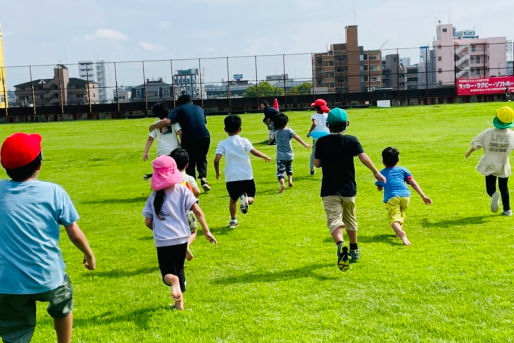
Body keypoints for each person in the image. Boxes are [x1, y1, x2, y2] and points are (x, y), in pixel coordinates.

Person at [0, 132, 96, 343]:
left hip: (8, 282)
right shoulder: (53, 192)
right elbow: (74, 232)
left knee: (14, 329)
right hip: (49, 276)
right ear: (40, 163)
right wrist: (89, 254)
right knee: (63, 308)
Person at [314, 108, 386, 271]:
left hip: (329, 189)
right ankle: (354, 249)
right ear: (347, 124)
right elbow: (363, 157)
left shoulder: (322, 142)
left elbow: (317, 164)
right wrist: (376, 172)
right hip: (348, 188)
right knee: (350, 219)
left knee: (334, 220)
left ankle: (340, 244)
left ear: (327, 125)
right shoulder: (352, 140)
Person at [143, 155, 217, 310]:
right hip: (182, 238)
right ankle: (179, 306)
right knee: (179, 267)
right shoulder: (183, 189)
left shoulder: (154, 195)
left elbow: (148, 221)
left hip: (163, 241)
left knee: (167, 275)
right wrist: (207, 231)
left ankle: (175, 283)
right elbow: (197, 210)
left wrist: (158, 230)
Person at [214, 115, 271, 229]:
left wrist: (217, 172)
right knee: (251, 197)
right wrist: (265, 156)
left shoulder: (223, 143)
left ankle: (233, 220)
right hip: (246, 175)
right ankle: (246, 200)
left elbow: (216, 159)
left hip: (231, 177)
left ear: (225, 129)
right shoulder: (244, 141)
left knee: (233, 199)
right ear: (240, 129)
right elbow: (253, 151)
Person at [149, 94, 212, 192]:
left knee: (189, 161)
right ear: (191, 102)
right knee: (202, 157)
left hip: (189, 137)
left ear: (179, 103)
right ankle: (203, 179)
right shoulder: (199, 108)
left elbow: (167, 121)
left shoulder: (178, 109)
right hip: (204, 136)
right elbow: (204, 124)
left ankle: (192, 185)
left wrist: (153, 126)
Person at [375, 147, 432, 246]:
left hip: (392, 198)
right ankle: (398, 232)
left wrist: (380, 187)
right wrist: (423, 196)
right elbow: (413, 183)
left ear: (383, 161)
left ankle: (401, 234)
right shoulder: (403, 170)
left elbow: (379, 186)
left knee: (393, 219)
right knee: (401, 215)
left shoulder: (381, 173)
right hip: (406, 196)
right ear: (398, 160)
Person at [465, 106, 514, 216]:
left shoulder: (488, 132)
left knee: (490, 187)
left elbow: (477, 144)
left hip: (489, 164)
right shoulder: (511, 135)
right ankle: (507, 210)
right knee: (504, 187)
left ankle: (493, 195)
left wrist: (469, 152)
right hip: (503, 165)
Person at [169, 148, 201, 261]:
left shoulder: (167, 178)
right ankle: (186, 246)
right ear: (187, 165)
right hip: (187, 210)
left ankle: (177, 255)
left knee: (176, 235)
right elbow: (197, 192)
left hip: (172, 210)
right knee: (193, 231)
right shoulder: (189, 178)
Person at [272, 113, 310, 193]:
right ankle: (290, 181)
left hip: (280, 156)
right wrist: (305, 144)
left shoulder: (276, 132)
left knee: (280, 172)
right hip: (289, 155)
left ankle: (282, 184)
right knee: (289, 168)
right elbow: (296, 137)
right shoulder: (289, 130)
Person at [306, 98, 330, 175]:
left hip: (317, 136)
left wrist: (309, 132)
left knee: (314, 151)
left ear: (316, 108)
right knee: (326, 152)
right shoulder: (327, 115)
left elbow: (315, 124)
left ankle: (312, 168)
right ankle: (326, 168)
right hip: (326, 135)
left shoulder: (314, 115)